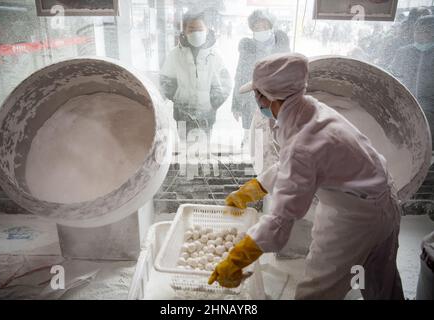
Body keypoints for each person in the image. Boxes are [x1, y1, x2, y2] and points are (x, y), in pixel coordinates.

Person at [208, 53, 404, 300]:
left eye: (257, 95)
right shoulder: (309, 108)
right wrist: (255, 188)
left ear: (266, 98)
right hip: (380, 200)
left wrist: (236, 260)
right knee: (381, 285)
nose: (257, 102)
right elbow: (296, 164)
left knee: (318, 291)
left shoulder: (303, 142)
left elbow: (280, 221)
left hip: (355, 217)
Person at [160, 11, 231, 141]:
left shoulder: (215, 55)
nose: (195, 33)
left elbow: (225, 83)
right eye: (191, 29)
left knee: (203, 151)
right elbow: (165, 80)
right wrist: (178, 99)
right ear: (184, 31)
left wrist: (212, 103)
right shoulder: (175, 54)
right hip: (182, 115)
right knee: (185, 151)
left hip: (206, 116)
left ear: (207, 29)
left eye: (199, 29)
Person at [231, 9, 290, 147]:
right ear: (252, 29)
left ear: (271, 26)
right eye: (257, 27)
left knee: (273, 141)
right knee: (253, 143)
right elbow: (240, 75)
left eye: (264, 26)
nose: (261, 30)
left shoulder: (281, 47)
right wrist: (236, 105)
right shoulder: (248, 48)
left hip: (276, 102)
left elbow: (290, 74)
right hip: (251, 101)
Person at [390, 15, 434, 149]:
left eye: (425, 31)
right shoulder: (404, 52)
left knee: (427, 142)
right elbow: (393, 75)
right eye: (417, 31)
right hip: (405, 104)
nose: (419, 35)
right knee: (405, 142)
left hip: (430, 108)